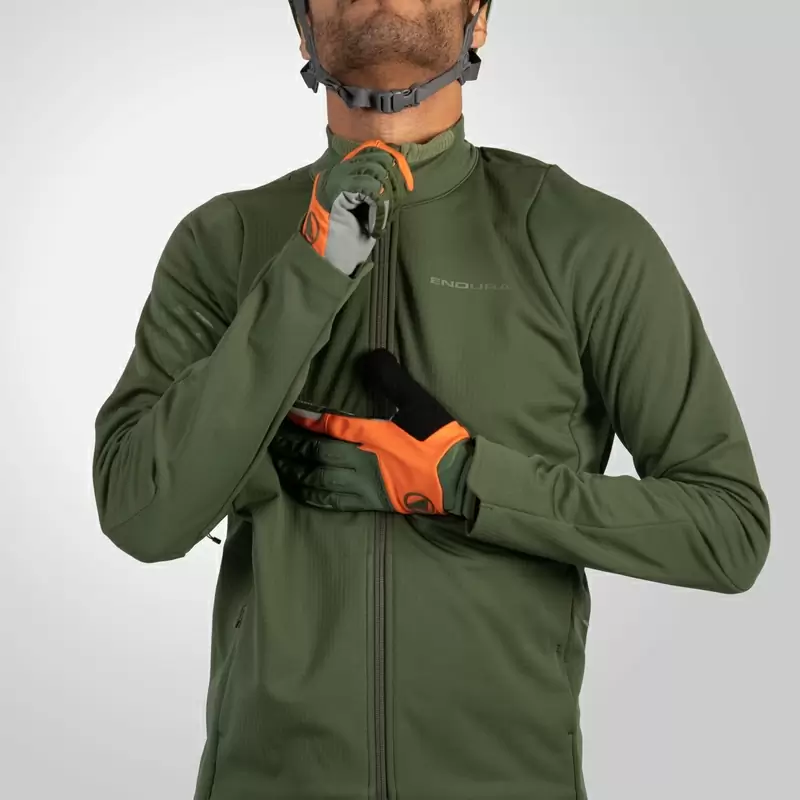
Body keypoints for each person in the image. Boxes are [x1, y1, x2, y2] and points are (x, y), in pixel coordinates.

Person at [91, 1, 771, 798]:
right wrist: (310, 270)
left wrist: (465, 482)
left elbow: (728, 529)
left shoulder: (583, 240)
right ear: (302, 26)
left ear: (479, 19)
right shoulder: (224, 243)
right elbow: (142, 515)